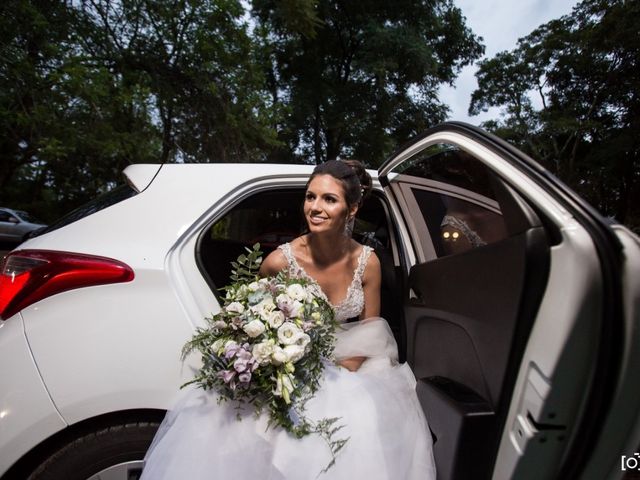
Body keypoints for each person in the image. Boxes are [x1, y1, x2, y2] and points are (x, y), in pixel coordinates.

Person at [140, 160, 436, 480]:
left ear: (352, 209)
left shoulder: (369, 262)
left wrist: (339, 372)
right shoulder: (279, 261)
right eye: (311, 197)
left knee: (359, 418)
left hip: (349, 364)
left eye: (329, 199)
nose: (316, 207)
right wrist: (280, 363)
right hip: (288, 367)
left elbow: (372, 331)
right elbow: (248, 319)